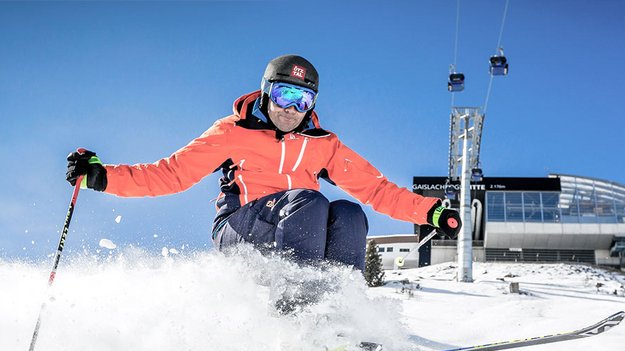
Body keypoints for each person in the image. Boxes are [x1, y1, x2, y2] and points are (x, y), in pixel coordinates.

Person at [66, 54, 461, 271]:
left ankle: (339, 319)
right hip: (240, 228)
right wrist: (102, 177)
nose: (292, 109)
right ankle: (298, 314)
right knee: (310, 201)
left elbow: (376, 189)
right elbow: (171, 174)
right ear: (267, 92)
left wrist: (431, 211)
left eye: (303, 101)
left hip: (295, 233)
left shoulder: (323, 145)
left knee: (349, 214)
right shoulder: (232, 132)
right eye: (286, 95)